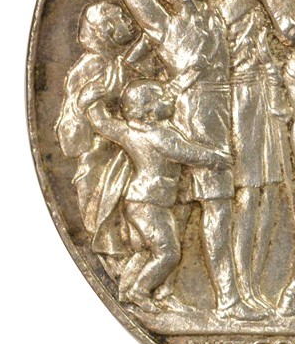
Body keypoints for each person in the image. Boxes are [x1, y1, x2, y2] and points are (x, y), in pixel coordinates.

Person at [114, 0, 261, 320]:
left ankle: (181, 290)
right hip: (192, 119)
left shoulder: (213, 16)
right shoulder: (166, 26)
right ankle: (227, 300)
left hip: (222, 111)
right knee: (214, 207)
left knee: (214, 208)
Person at [187, 0, 292, 304]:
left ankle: (255, 283)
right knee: (248, 195)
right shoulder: (211, 16)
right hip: (237, 104)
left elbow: (273, 51)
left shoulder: (255, 1)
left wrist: (276, 82)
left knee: (270, 193)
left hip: (264, 98)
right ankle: (241, 283)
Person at [88, 82, 230, 310]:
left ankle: (136, 289)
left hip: (143, 202)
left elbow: (102, 124)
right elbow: (186, 153)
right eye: (162, 97)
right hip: (149, 203)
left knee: (154, 250)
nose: (169, 98)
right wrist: (216, 159)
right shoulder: (159, 136)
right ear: (149, 111)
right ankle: (139, 290)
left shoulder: (128, 131)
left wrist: (92, 103)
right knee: (168, 253)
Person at [54, 0, 138, 273]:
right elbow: (74, 132)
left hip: (128, 152)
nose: (128, 20)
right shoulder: (89, 68)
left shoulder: (120, 63)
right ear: (105, 30)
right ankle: (122, 271)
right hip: (101, 160)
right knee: (110, 221)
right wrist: (81, 103)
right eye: (120, 16)